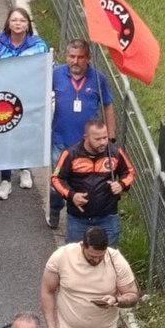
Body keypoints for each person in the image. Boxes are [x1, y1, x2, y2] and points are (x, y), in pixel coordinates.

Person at [48, 39, 116, 229]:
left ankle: (80, 222)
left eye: (80, 57)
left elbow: (108, 106)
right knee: (58, 183)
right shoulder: (55, 75)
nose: (75, 61)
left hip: (88, 145)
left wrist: (110, 136)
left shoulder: (99, 79)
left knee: (83, 184)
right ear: (66, 56)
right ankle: (54, 209)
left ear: (88, 58)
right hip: (60, 141)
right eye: (72, 57)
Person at [41, 226, 139, 328]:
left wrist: (116, 300)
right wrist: (51, 327)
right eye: (92, 256)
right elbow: (47, 291)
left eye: (101, 256)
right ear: (83, 245)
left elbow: (132, 295)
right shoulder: (62, 256)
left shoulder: (116, 261)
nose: (96, 260)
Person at [0, 8, 49, 200]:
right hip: (3, 98)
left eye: (22, 20)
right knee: (4, 136)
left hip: (28, 97)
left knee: (25, 134)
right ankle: (5, 179)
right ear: (8, 22)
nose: (18, 24)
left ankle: (25, 168)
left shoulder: (39, 45)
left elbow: (46, 70)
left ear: (27, 24)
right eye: (14, 20)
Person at [51, 118, 135, 246]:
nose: (103, 142)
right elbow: (56, 178)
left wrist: (121, 184)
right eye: (97, 139)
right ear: (86, 137)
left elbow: (129, 172)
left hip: (108, 217)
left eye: (105, 137)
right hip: (78, 219)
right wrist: (72, 195)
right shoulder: (70, 154)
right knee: (75, 256)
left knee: (108, 255)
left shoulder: (115, 152)